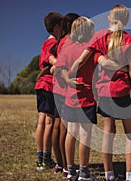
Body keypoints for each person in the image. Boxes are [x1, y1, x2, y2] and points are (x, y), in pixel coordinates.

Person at [72, 4, 131, 181]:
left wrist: (68, 75)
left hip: (104, 91)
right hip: (122, 90)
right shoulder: (130, 39)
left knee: (108, 133)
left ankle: (109, 175)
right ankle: (130, 176)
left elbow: (82, 60)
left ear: (110, 18)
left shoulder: (99, 37)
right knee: (130, 135)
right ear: (126, 20)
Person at [55, 16, 104, 181]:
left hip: (70, 97)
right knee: (85, 135)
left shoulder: (67, 49)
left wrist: (68, 80)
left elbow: (59, 67)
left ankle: (70, 171)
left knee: (71, 133)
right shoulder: (91, 49)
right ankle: (83, 172)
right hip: (86, 98)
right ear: (87, 31)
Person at [52, 13, 80, 177]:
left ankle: (60, 163)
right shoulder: (68, 42)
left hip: (58, 88)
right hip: (64, 89)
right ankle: (64, 165)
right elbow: (60, 67)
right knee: (64, 127)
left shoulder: (62, 41)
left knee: (59, 126)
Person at [34, 12, 63, 170]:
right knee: (49, 122)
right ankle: (46, 158)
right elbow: (52, 60)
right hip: (49, 85)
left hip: (40, 85)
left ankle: (40, 158)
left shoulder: (44, 43)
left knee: (41, 122)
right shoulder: (52, 44)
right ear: (57, 27)